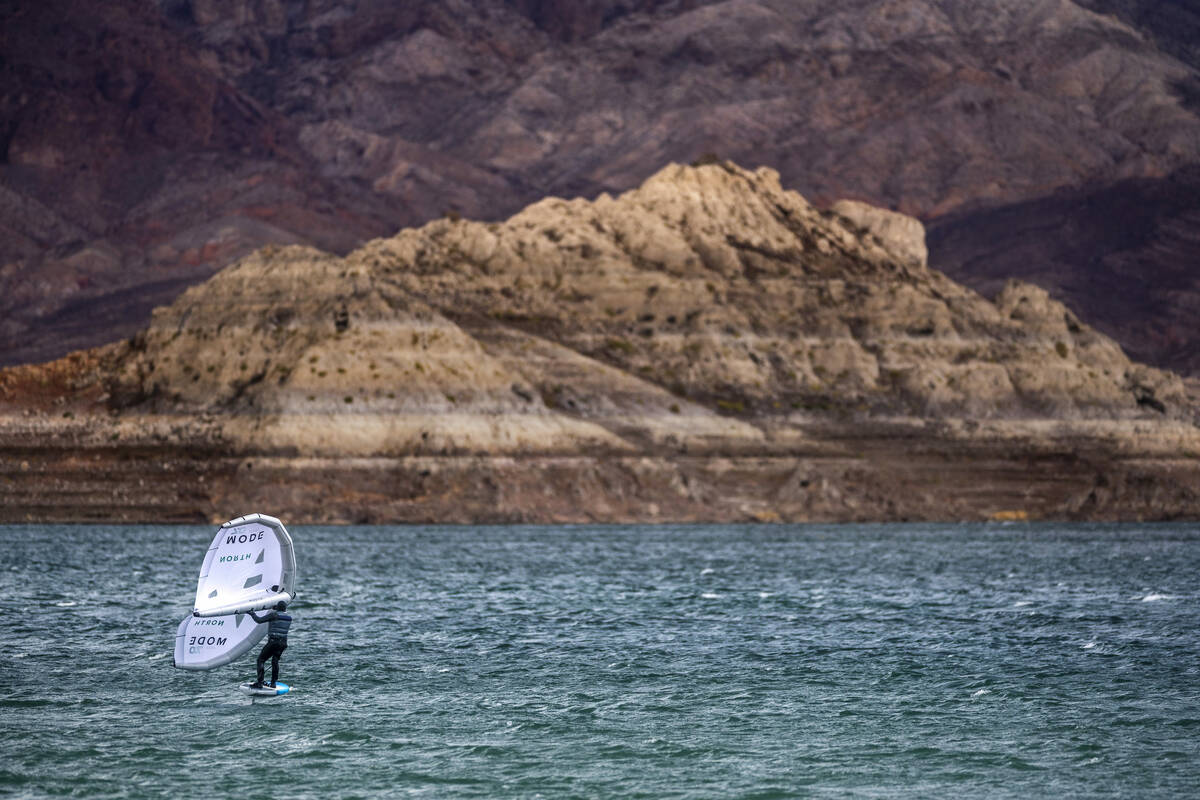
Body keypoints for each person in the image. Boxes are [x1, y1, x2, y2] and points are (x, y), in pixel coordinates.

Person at [247, 601, 292, 689]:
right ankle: (273, 683)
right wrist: (276, 608)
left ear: (277, 608)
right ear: (285, 608)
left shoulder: (273, 615)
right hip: (283, 643)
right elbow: (280, 612)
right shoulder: (289, 618)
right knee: (275, 662)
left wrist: (252, 614)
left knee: (261, 660)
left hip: (273, 642)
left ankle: (260, 683)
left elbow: (259, 620)